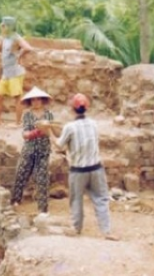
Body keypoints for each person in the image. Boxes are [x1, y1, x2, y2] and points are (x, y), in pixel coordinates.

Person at [50, 93, 119, 241]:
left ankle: (76, 228)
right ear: (86, 108)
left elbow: (59, 145)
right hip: (96, 168)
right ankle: (106, 231)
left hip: (78, 170)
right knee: (101, 199)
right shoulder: (94, 124)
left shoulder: (69, 127)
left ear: (72, 109)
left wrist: (49, 133)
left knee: (76, 200)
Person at [0, 16, 33, 127]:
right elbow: (1, 44)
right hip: (6, 73)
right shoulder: (6, 37)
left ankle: (18, 123)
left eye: (4, 25)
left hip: (15, 73)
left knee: (17, 97)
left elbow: (28, 48)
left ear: (9, 26)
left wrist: (19, 56)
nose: (2, 27)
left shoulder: (16, 38)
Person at [11, 87, 54, 214]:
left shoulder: (49, 115)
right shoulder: (27, 114)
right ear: (30, 102)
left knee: (42, 178)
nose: (36, 102)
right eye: (33, 100)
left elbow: (51, 131)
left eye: (38, 99)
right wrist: (35, 132)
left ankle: (43, 208)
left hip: (43, 150)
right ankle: (15, 201)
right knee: (21, 174)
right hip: (29, 149)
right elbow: (24, 133)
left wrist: (46, 129)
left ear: (42, 100)